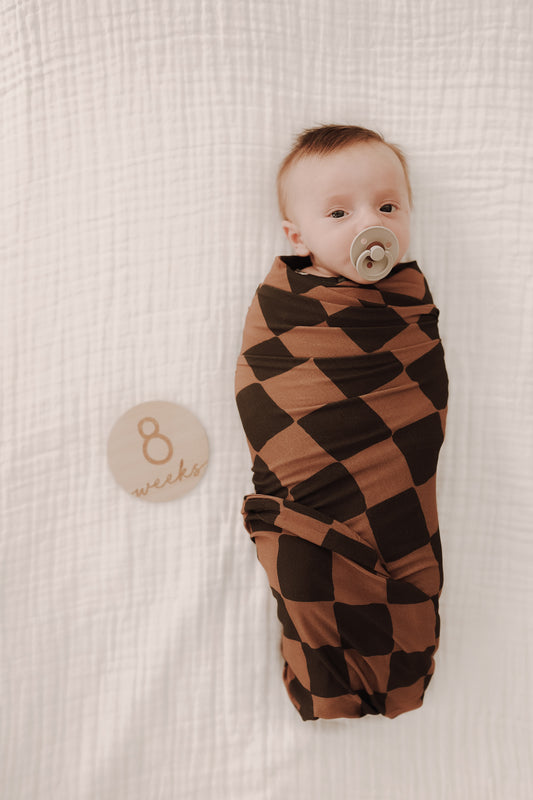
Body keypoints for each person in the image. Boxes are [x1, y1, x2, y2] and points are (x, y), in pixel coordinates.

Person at [235, 124, 449, 721]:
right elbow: (266, 393)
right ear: (297, 236)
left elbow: (419, 407)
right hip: (310, 482)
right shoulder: (286, 311)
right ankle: (323, 682)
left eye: (388, 207)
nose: (369, 224)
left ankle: (401, 676)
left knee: (404, 546)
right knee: (308, 565)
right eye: (339, 212)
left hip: (394, 475)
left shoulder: (407, 307)